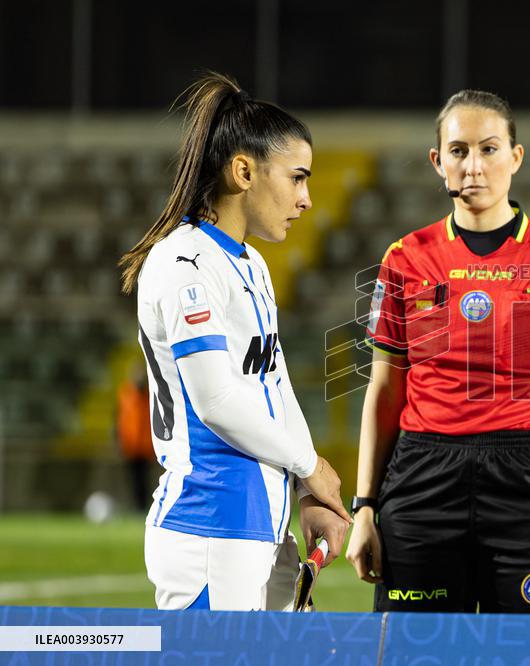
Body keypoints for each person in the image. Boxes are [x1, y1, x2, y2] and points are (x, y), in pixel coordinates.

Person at [345, 89, 530, 613]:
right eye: (459, 151)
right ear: (437, 162)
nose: (474, 166)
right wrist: (366, 506)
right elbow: (384, 388)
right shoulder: (405, 258)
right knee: (414, 652)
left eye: (489, 149)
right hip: (423, 478)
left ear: (516, 156)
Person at [118, 72, 352, 611]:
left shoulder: (251, 263)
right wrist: (309, 465)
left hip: (262, 528)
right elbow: (217, 400)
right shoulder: (184, 262)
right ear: (243, 170)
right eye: (296, 178)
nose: (307, 199)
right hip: (209, 529)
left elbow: (274, 386)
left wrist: (307, 490)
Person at [115, 362, 156, 512]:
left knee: (144, 480)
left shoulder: (150, 393)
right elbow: (118, 419)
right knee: (133, 479)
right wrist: (119, 441)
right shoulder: (125, 393)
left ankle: (143, 506)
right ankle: (135, 506)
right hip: (131, 445)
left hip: (146, 446)